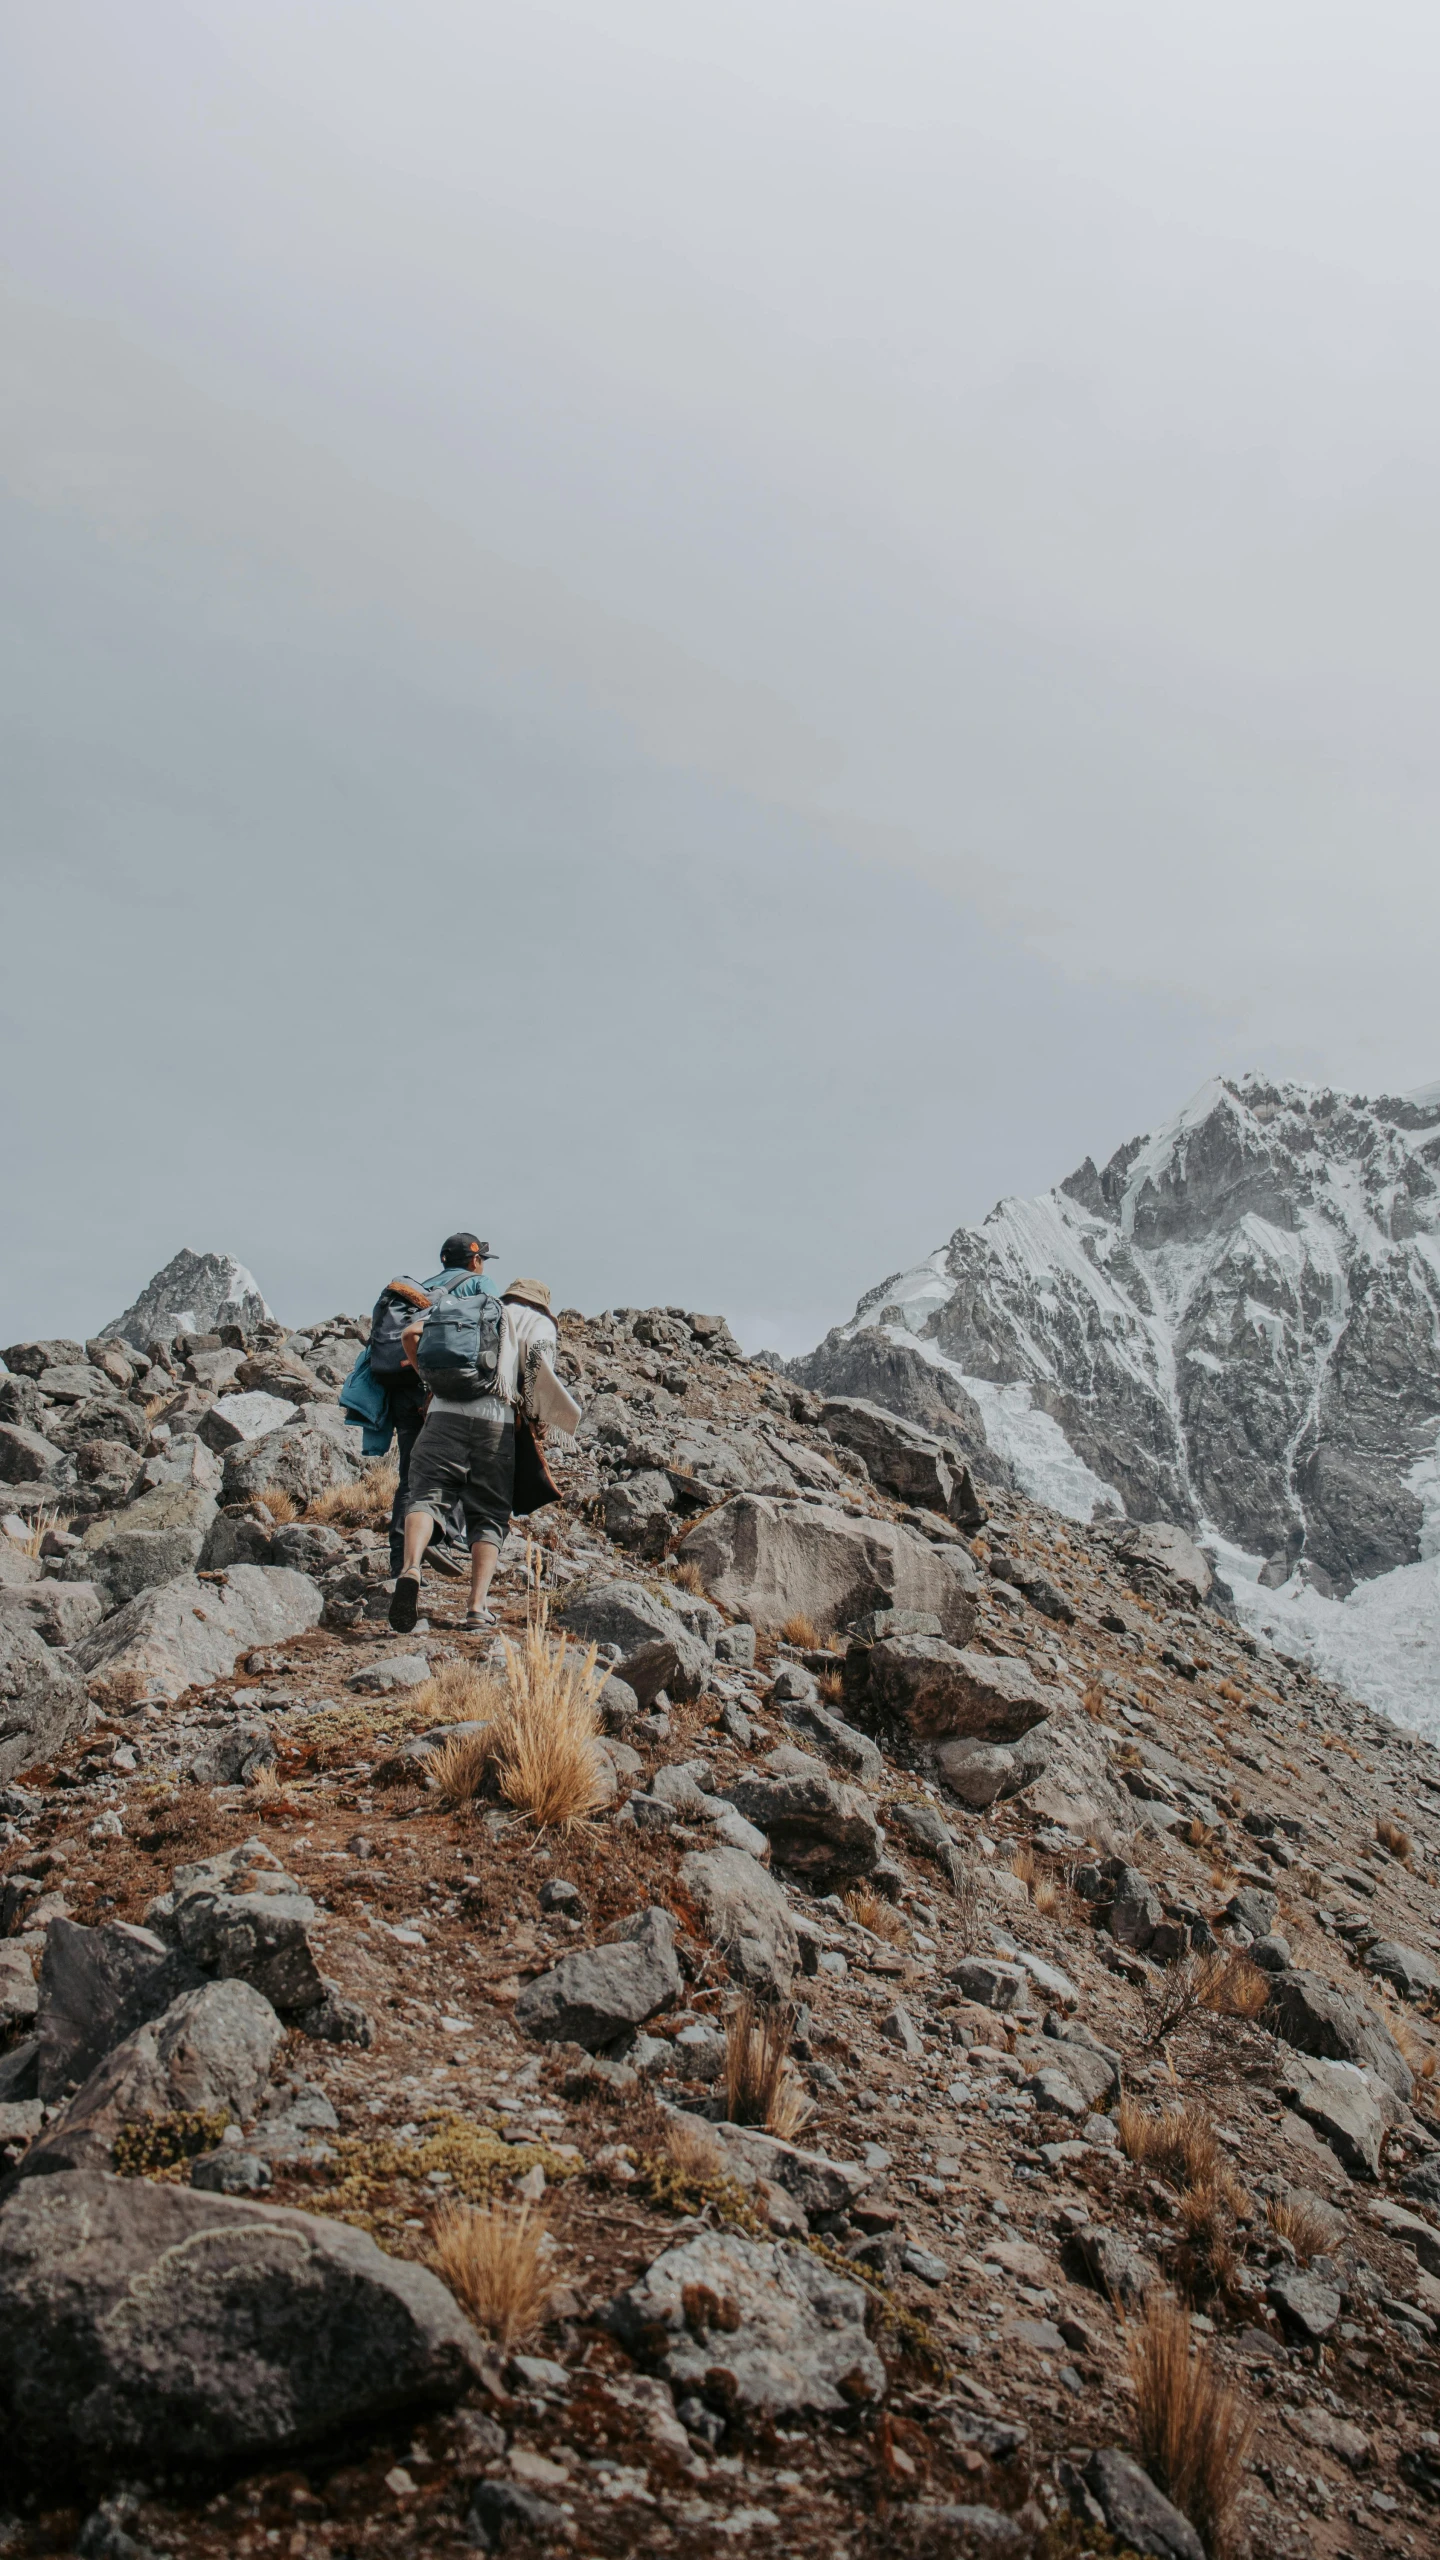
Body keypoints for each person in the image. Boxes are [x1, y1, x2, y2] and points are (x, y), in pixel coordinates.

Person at [388, 1276, 563, 1635]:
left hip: (441, 1416)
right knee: (489, 1513)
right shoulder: (538, 1321)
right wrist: (534, 1417)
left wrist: (431, 1383)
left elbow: (409, 1336)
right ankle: (477, 1608)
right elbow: (538, 1367)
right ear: (543, 1303)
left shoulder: (472, 1310)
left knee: (426, 1496)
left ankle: (410, 1570)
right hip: (496, 1423)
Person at [371, 1234, 498, 1579]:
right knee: (457, 1468)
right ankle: (440, 1539)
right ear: (474, 1261)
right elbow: (494, 1331)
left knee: (410, 1475)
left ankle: (402, 1564)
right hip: (439, 1390)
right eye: (482, 1258)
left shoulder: (421, 1290)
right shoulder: (479, 1284)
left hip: (402, 1385)